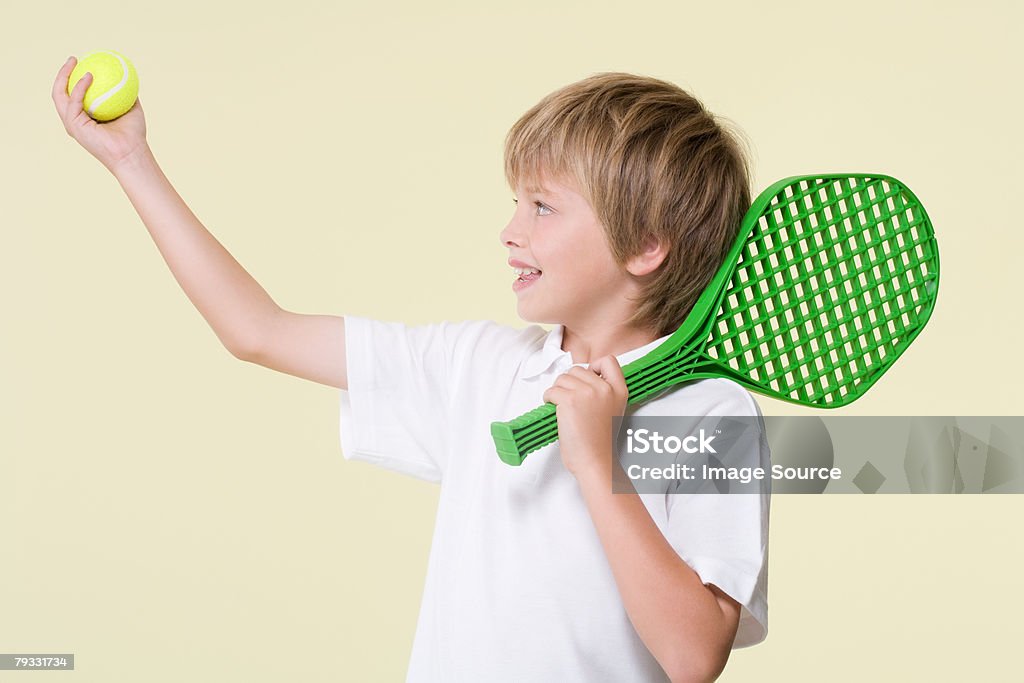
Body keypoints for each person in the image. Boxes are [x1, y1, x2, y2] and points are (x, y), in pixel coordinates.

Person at [53, 61, 770, 682]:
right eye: (515, 201)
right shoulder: (477, 367)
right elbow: (258, 331)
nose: (510, 230)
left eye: (543, 206)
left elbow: (691, 655)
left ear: (645, 244)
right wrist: (130, 161)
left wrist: (595, 459)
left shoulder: (711, 412)